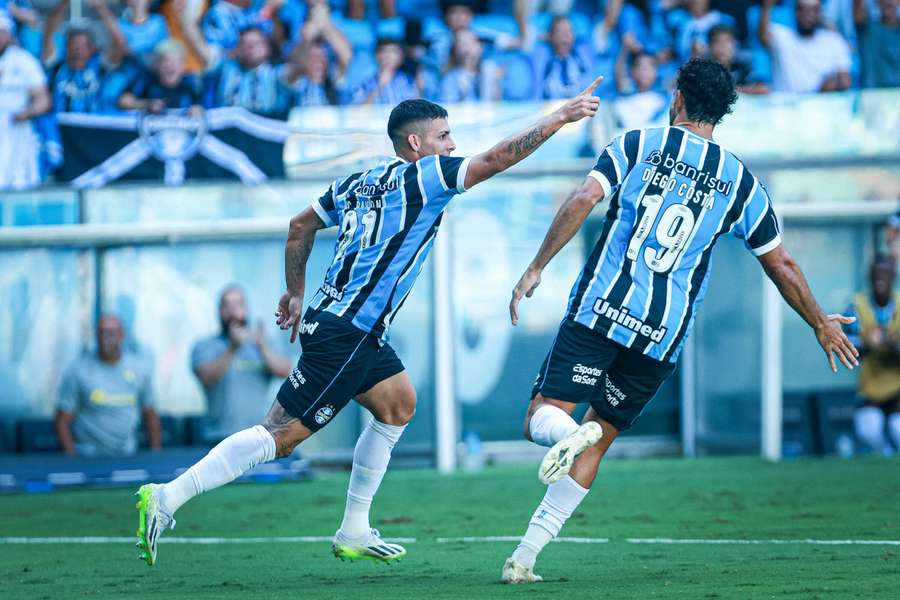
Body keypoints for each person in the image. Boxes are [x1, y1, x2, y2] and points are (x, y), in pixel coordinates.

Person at [134, 82, 602, 567]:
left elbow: (300, 226)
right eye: (444, 136)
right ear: (416, 144)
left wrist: (295, 291)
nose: (452, 146)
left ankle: (354, 528)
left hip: (346, 326)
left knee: (398, 404)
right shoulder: (426, 177)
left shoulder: (357, 182)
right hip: (347, 334)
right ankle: (166, 498)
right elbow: (499, 158)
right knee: (280, 435)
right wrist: (561, 116)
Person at [501, 58, 859, 584]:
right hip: (661, 336)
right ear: (723, 112)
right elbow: (780, 262)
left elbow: (583, 199)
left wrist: (536, 267)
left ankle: (563, 432)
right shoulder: (741, 182)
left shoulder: (637, 144)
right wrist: (818, 323)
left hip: (600, 312)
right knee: (598, 440)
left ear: (678, 99)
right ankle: (524, 559)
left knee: (542, 416)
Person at [190, 285, 292, 445]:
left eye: (238, 305)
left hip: (260, 436)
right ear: (219, 311)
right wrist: (233, 348)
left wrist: (262, 347)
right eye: (227, 306)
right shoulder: (205, 346)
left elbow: (285, 371)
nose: (233, 311)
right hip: (217, 437)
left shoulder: (263, 343)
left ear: (246, 308)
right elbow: (206, 377)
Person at [54, 314, 160, 457]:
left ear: (121, 335)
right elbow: (62, 420)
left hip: (128, 455)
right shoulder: (78, 369)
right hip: (87, 456)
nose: (105, 338)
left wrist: (156, 455)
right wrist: (71, 457)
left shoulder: (139, 369)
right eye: (101, 332)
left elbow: (150, 415)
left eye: (111, 333)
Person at [845, 255, 900, 455]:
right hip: (870, 387)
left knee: (898, 429)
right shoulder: (856, 306)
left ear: (893, 276)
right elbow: (846, 348)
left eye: (885, 273)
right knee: (869, 430)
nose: (880, 278)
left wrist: (893, 347)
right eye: (876, 273)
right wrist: (868, 345)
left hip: (898, 389)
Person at [43, 1, 121, 113]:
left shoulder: (101, 68)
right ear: (66, 47)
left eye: (81, 45)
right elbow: (48, 33)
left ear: (92, 49)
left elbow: (119, 42)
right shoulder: (56, 67)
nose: (77, 49)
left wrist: (101, 8)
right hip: (59, 128)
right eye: (73, 44)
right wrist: (64, 4)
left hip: (91, 126)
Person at [0, 13, 50, 190]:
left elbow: (43, 99)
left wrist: (28, 112)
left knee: (18, 180)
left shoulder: (24, 61)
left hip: (16, 129)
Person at [758, 0, 852, 93]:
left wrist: (832, 86)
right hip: (786, 106)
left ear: (820, 12)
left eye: (814, 10)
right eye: (803, 9)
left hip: (824, 104)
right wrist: (767, 6)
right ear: (795, 12)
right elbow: (763, 36)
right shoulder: (781, 36)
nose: (808, 14)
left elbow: (845, 80)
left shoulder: (835, 41)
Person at [203, 26, 294, 118]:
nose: (250, 47)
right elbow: (202, 53)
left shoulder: (277, 73)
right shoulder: (225, 67)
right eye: (244, 43)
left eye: (256, 43)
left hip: (263, 127)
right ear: (237, 48)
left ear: (267, 47)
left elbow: (301, 63)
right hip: (226, 125)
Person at [119, 40, 202, 113]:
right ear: (157, 65)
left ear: (183, 66)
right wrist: (147, 104)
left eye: (176, 62)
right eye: (166, 61)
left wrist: (197, 110)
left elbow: (206, 108)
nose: (171, 66)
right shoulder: (146, 80)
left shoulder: (192, 83)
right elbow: (123, 101)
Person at [531, 16, 594, 100]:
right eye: (560, 32)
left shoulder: (583, 56)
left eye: (569, 31)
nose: (566, 35)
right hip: (549, 109)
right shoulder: (541, 57)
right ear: (550, 36)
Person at [440, 29, 503, 103]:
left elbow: (498, 104)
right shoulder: (450, 78)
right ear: (455, 50)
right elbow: (448, 107)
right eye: (463, 44)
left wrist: (496, 84)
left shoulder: (489, 69)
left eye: (472, 42)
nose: (468, 47)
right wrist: (464, 95)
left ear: (481, 47)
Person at [350, 38, 419, 105]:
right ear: (376, 56)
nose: (388, 56)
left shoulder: (408, 81)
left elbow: (416, 110)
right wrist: (380, 86)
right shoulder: (365, 82)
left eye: (393, 52)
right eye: (384, 51)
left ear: (401, 57)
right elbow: (358, 112)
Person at [612, 51, 667, 128]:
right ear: (632, 71)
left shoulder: (663, 100)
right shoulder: (622, 101)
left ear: (656, 71)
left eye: (650, 66)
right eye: (640, 66)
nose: (645, 71)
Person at [707, 24, 767, 94]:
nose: (723, 46)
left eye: (728, 41)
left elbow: (763, 89)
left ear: (735, 44)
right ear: (709, 46)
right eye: (718, 41)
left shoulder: (742, 67)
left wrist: (731, 90)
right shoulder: (705, 71)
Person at [854, 0, 900, 88]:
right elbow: (858, 15)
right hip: (873, 96)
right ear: (876, 2)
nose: (888, 2)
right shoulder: (867, 30)